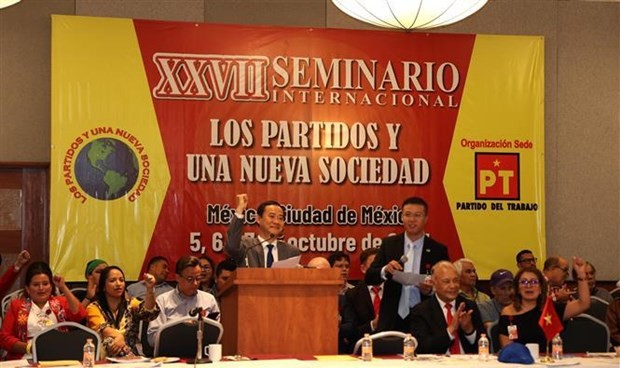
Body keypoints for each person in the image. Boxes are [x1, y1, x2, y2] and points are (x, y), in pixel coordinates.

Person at [365, 196, 449, 332]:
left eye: (417, 215)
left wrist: (432, 289)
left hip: (426, 317)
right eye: (407, 215)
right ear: (402, 217)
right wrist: (385, 269)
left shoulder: (438, 250)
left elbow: (447, 287)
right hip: (393, 317)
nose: (412, 220)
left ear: (426, 219)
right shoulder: (389, 244)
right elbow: (369, 277)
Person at [498, 257, 591, 352]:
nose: (529, 286)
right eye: (524, 282)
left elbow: (583, 304)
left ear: (541, 288)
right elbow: (507, 348)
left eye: (534, 282)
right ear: (517, 288)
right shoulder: (508, 312)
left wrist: (581, 275)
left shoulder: (551, 309)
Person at [0, 261, 86, 360]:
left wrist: (63, 287)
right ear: (28, 289)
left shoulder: (60, 302)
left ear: (51, 286)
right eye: (36, 285)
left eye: (45, 284)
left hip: (58, 356)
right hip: (26, 356)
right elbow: (4, 338)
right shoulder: (16, 305)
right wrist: (29, 348)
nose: (41, 288)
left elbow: (80, 315)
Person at [410, 261, 485, 354]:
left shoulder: (469, 306)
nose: (453, 286)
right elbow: (422, 348)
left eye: (456, 280)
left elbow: (483, 345)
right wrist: (451, 329)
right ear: (434, 283)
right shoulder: (421, 310)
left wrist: (469, 330)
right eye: (446, 281)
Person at [147, 256, 220, 347]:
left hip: (201, 352)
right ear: (178, 277)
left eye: (198, 278)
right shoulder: (163, 300)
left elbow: (218, 333)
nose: (195, 283)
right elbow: (152, 338)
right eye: (190, 279)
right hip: (171, 354)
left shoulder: (209, 300)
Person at [86, 266, 159, 358]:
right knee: (110, 340)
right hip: (106, 357)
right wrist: (120, 337)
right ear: (103, 287)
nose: (118, 284)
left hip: (134, 354)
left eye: (121, 280)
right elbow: (104, 329)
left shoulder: (132, 303)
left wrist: (150, 290)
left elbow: (149, 313)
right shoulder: (93, 307)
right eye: (112, 280)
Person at [226, 193, 300, 268]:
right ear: (258, 219)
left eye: (280, 218)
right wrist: (240, 209)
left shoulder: (291, 251)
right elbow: (231, 247)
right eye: (272, 216)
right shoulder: (247, 247)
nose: (276, 222)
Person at [340, 247, 380, 353]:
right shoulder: (352, 295)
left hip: (393, 348)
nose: (378, 270)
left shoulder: (394, 292)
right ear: (363, 268)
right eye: (374, 266)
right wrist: (372, 325)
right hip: (362, 351)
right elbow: (350, 333)